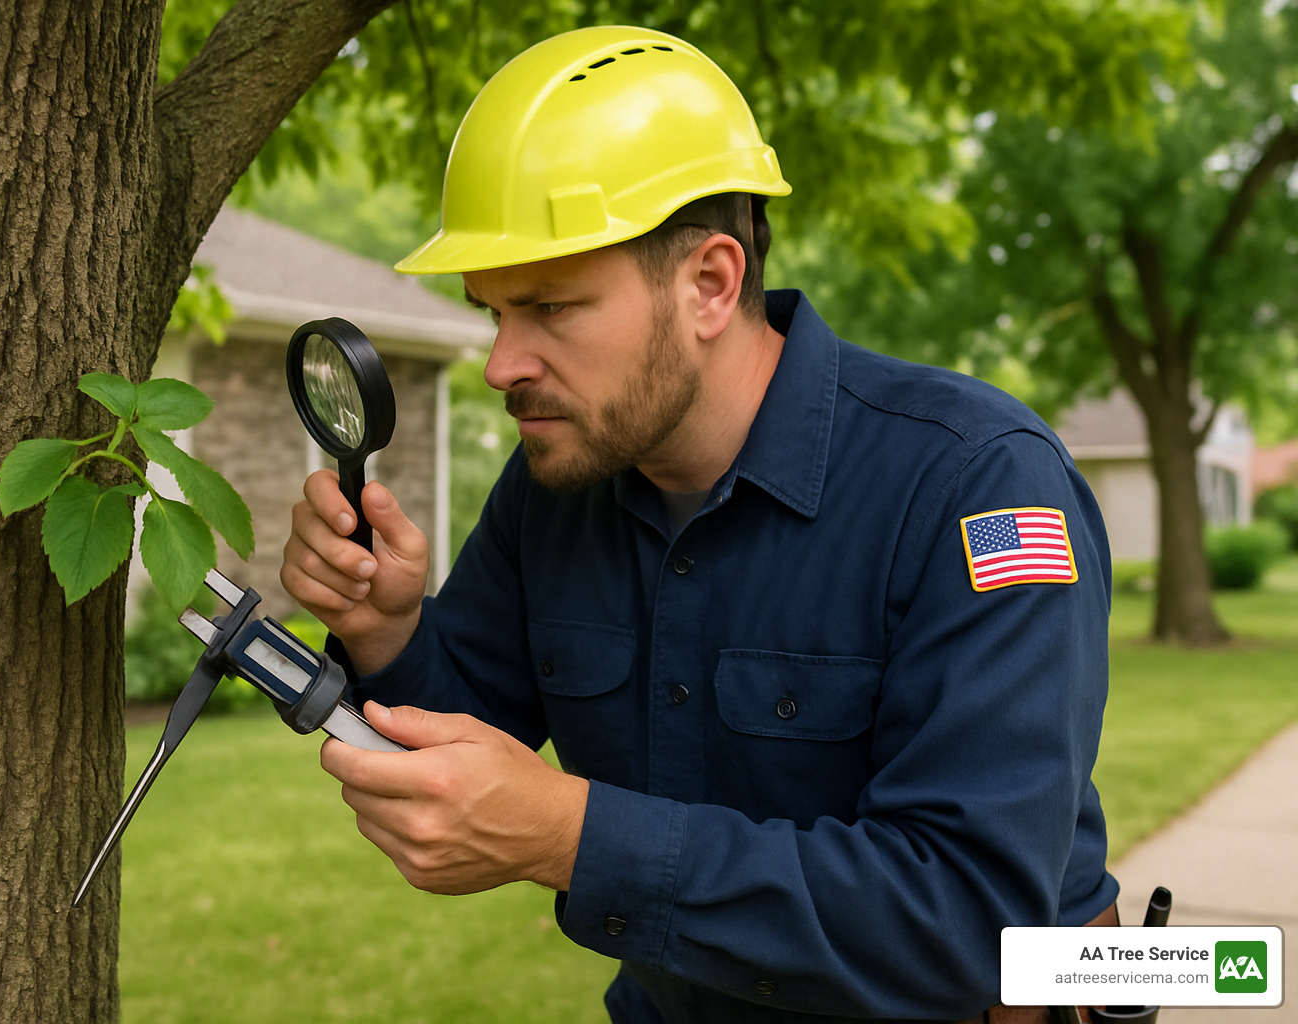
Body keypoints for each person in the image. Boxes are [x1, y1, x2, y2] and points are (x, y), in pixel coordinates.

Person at [281, 25, 1119, 1024]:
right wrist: (388, 631)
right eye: (492, 311)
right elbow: (470, 753)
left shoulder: (977, 486)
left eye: (550, 308)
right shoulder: (558, 482)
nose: (502, 363)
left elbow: (974, 924)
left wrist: (573, 835)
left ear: (712, 284)